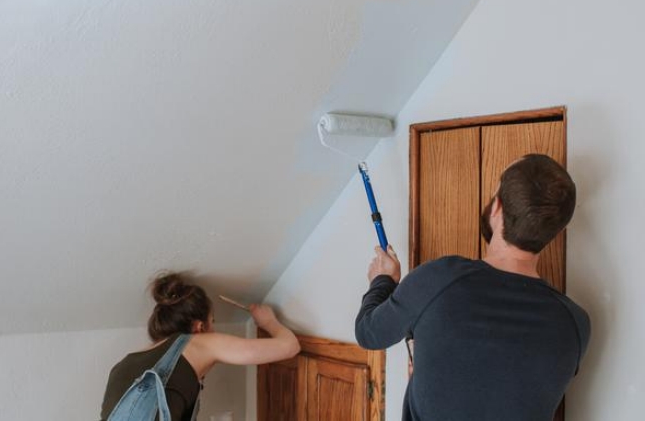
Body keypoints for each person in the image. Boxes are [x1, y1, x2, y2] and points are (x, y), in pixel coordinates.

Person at [355, 154, 590, 421]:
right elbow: (507, 384)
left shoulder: (439, 279)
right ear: (555, 229)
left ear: (497, 208)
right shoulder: (575, 324)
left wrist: (382, 280)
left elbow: (368, 333)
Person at [99, 272, 300, 421]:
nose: (214, 331)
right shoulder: (198, 343)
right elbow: (289, 346)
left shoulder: (126, 362)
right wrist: (268, 322)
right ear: (199, 326)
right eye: (213, 322)